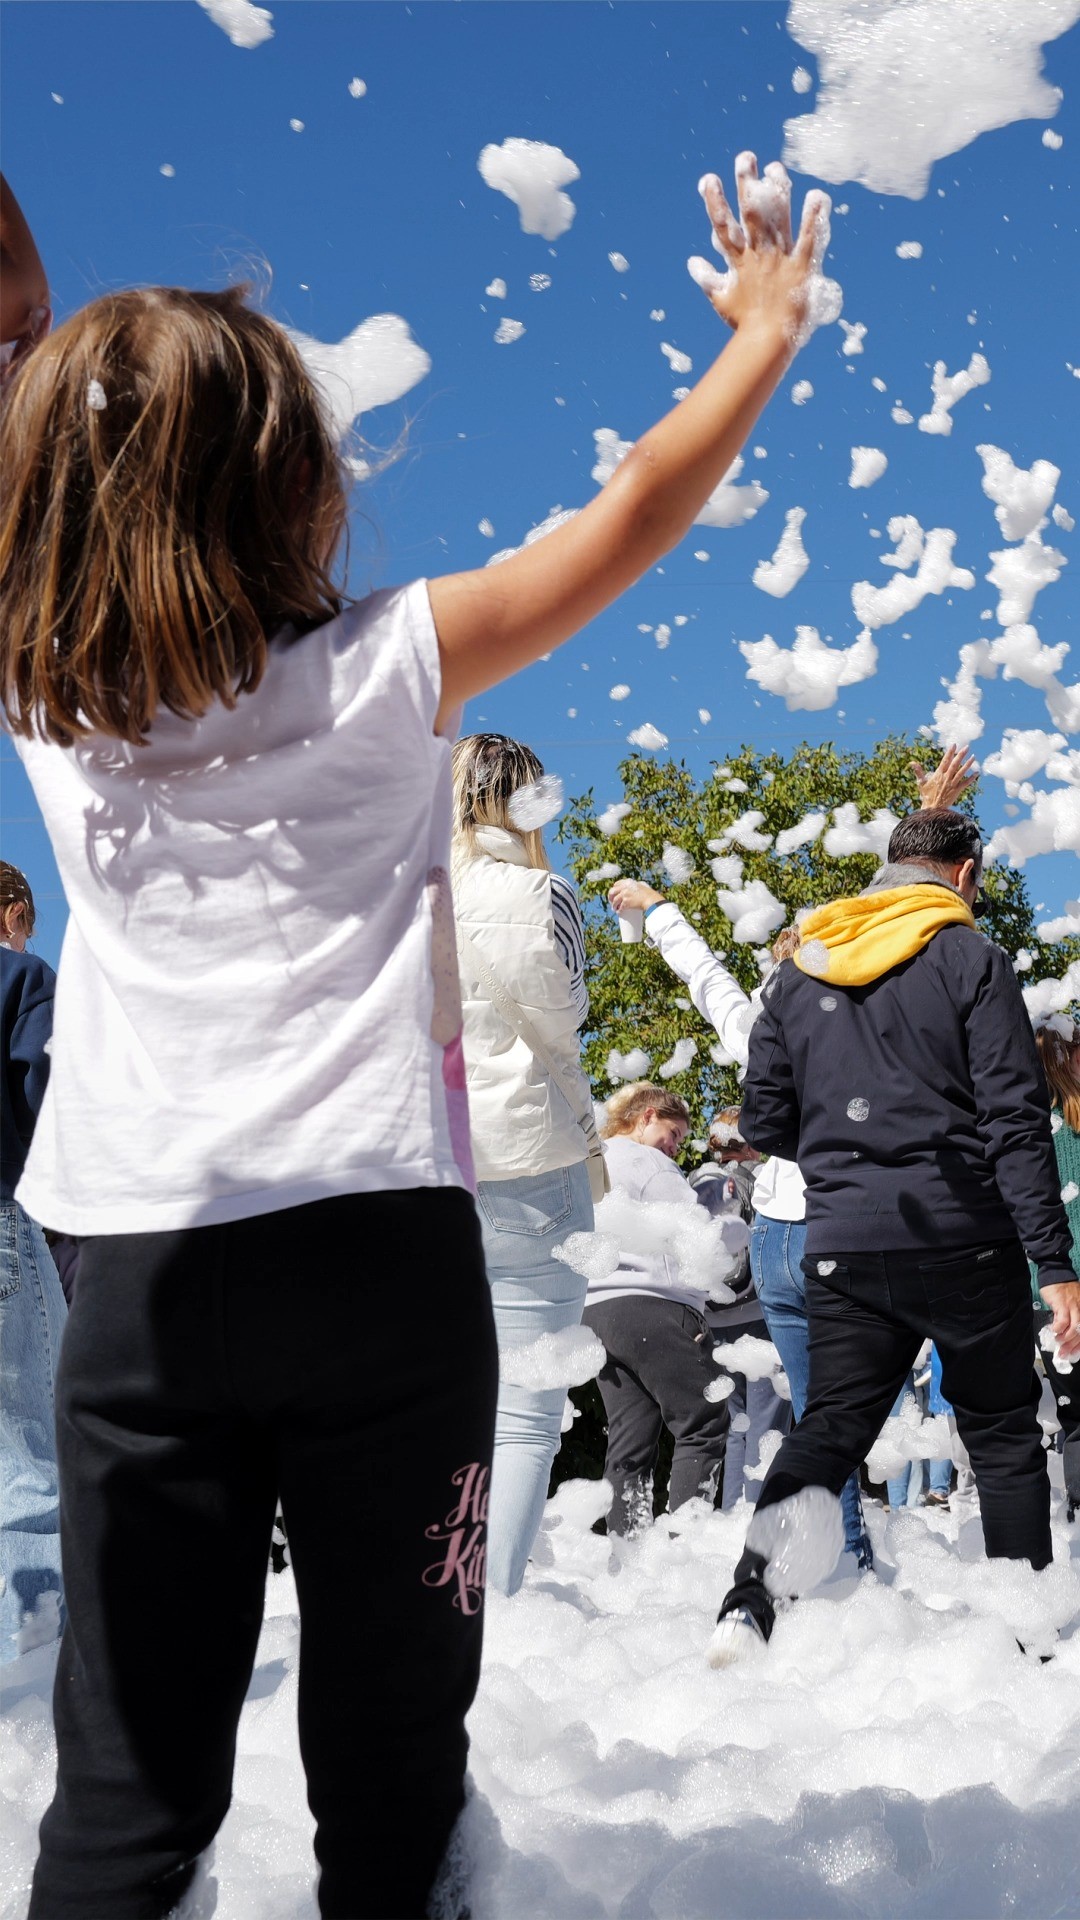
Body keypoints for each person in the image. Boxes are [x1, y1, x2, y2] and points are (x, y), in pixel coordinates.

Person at [0, 155, 832, 1916]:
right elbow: (633, 515)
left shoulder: (51, 707)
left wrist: (31, 335)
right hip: (375, 1263)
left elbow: (38, 404)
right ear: (293, 493)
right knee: (392, 1759)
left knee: (127, 1781)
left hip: (136, 1273)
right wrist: (762, 335)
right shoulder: (388, 668)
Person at [710, 807, 1080, 1666]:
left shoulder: (803, 969)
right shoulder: (971, 958)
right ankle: (1028, 1643)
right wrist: (1054, 1263)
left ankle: (749, 1599)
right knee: (1002, 1436)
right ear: (964, 874)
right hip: (965, 1240)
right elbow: (1015, 1121)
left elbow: (762, 1118)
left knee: (829, 1427)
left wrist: (848, 1160)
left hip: (844, 1243)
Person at [607, 744, 979, 1565]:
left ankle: (834, 1564)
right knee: (868, 1413)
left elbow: (703, 973)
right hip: (845, 1230)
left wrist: (659, 907)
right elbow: (906, 917)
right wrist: (931, 821)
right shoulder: (866, 1015)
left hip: (779, 1240)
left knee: (820, 1420)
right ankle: (867, 1553)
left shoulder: (758, 1029)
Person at [451, 733, 596, 1596]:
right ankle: (488, 1601)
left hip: (429, 1172)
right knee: (524, 1415)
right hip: (535, 1164)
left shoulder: (405, 897)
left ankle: (420, 1590)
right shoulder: (548, 894)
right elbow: (570, 1010)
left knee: (430, 1403)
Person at [582, 1085, 740, 1531]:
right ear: (647, 1116)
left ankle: (626, 1548)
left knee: (630, 1440)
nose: (674, 1147)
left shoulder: (593, 1160)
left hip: (599, 1310)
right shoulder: (650, 1163)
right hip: (654, 1303)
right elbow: (699, 1237)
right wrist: (737, 1228)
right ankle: (684, 1549)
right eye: (673, 1133)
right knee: (704, 1419)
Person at [0, 862, 67, 1662]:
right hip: (4, 1219)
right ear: (13, 911)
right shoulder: (21, 976)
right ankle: (36, 1668)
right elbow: (45, 1102)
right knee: (29, 1456)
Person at [689, 1110, 791, 1508]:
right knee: (767, 1426)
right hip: (759, 1315)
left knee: (737, 1426)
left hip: (715, 1317)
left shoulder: (697, 1182)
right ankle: (756, 1519)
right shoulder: (765, 1177)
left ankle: (731, 1515)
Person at [1031, 1019, 1080, 1521]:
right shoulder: (1075, 1126)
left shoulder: (1019, 1130)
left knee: (1071, 1414)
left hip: (1036, 1292)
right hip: (1071, 1286)